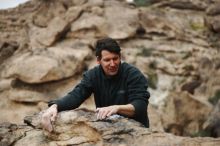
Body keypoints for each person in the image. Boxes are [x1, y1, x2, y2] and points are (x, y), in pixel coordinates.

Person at [41, 38, 150, 132]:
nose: (112, 64)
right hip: (108, 131)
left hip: (136, 131)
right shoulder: (93, 75)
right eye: (107, 60)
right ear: (98, 60)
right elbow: (76, 95)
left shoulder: (133, 74)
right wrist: (55, 106)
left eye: (115, 58)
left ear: (120, 57)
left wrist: (117, 108)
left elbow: (140, 106)